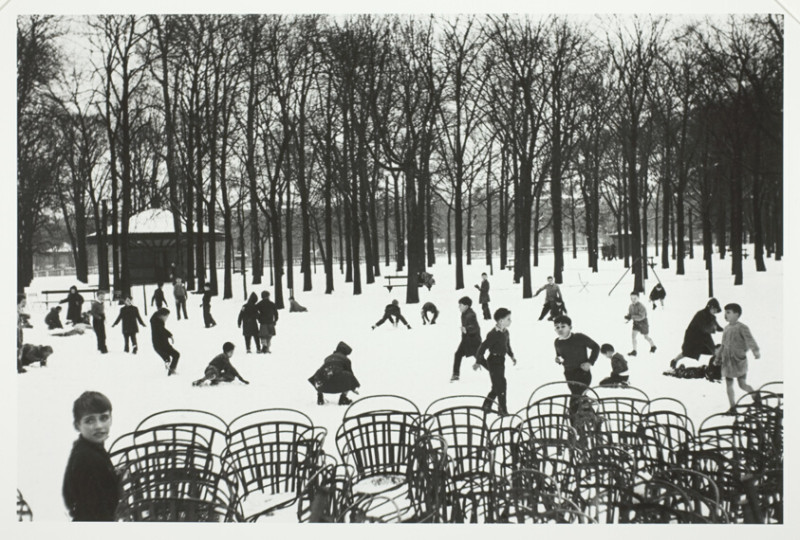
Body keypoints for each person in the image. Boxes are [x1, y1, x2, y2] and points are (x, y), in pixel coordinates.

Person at [62, 391, 120, 521]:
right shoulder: (87, 459)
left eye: (104, 418)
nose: (99, 426)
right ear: (77, 426)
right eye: (89, 420)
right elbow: (99, 513)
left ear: (111, 419)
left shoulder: (89, 448)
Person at [716, 303, 761, 414]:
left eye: (728, 312)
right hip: (727, 361)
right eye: (725, 312)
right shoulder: (726, 328)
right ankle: (732, 407)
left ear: (737, 314)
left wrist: (755, 351)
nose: (725, 315)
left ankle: (756, 397)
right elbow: (723, 345)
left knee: (742, 384)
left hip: (738, 360)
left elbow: (750, 340)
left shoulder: (742, 327)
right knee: (729, 384)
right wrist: (718, 357)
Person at [553, 315, 600, 417]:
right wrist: (558, 360)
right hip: (569, 374)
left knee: (574, 401)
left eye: (563, 326)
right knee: (580, 399)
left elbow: (596, 347)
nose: (560, 329)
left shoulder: (578, 337)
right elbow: (560, 356)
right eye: (557, 327)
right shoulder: (557, 342)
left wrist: (590, 362)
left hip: (582, 373)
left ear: (570, 327)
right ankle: (592, 419)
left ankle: (574, 426)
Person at [474, 308, 517, 415]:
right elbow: (482, 348)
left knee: (497, 385)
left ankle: (486, 405)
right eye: (508, 319)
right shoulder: (493, 334)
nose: (510, 321)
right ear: (501, 321)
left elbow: (507, 346)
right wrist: (478, 361)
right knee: (501, 384)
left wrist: (512, 356)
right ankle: (502, 410)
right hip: (493, 361)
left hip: (501, 361)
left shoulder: (506, 332)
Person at [670, 298, 723, 369]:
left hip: (705, 336)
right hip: (693, 336)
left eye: (716, 311)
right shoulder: (701, 314)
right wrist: (713, 328)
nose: (715, 312)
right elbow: (704, 327)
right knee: (687, 352)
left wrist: (724, 329)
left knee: (713, 350)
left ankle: (716, 367)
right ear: (710, 307)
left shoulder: (712, 317)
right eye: (714, 310)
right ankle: (674, 361)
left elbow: (717, 327)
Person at [308, 341, 360, 406]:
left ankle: (320, 397)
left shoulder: (328, 358)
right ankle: (343, 398)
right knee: (349, 375)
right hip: (336, 381)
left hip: (323, 383)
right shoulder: (346, 360)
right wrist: (353, 387)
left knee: (320, 373)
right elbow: (351, 375)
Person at [452, 296, 481, 382]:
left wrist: (466, 329)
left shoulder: (470, 315)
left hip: (473, 341)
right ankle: (455, 374)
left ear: (466, 306)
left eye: (460, 305)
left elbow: (475, 327)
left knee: (480, 359)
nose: (459, 307)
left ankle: (494, 372)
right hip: (467, 340)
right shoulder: (465, 314)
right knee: (458, 354)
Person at [624, 291, 656, 356]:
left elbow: (641, 317)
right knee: (633, 336)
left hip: (643, 323)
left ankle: (653, 346)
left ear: (638, 298)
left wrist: (631, 317)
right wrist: (628, 317)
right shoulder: (630, 306)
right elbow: (630, 314)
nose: (633, 300)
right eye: (631, 298)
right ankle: (634, 351)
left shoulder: (642, 307)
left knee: (646, 337)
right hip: (635, 323)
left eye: (635, 298)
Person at [150, 308, 179, 376]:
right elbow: (161, 331)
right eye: (166, 316)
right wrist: (169, 335)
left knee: (175, 355)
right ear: (161, 315)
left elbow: (162, 330)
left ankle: (171, 370)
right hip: (160, 345)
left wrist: (170, 335)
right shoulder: (157, 323)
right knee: (171, 356)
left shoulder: (157, 321)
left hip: (163, 344)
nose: (167, 318)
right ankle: (170, 370)